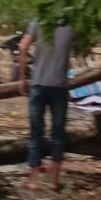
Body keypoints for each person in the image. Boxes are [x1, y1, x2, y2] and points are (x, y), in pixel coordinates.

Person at [17, 18, 74, 191]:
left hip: (38, 85)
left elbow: (22, 46)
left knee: (36, 134)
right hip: (59, 87)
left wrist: (22, 78)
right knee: (58, 134)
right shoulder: (72, 22)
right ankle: (54, 181)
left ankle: (34, 181)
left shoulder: (38, 21)